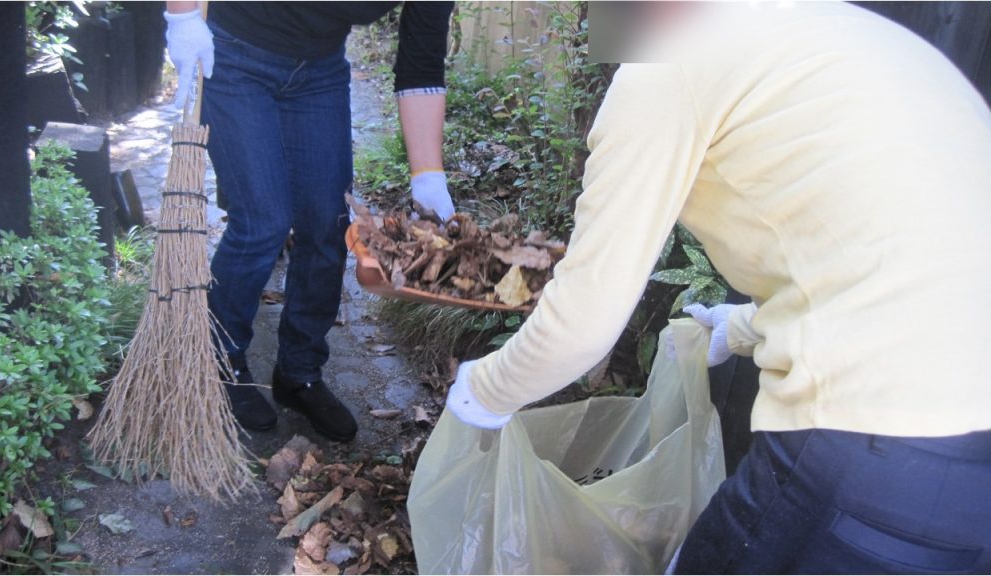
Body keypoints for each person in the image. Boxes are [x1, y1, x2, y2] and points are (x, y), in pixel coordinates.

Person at [445, 2, 991, 573]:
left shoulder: (669, 63)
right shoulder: (841, 33)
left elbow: (583, 322)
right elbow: (897, 255)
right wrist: (747, 327)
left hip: (875, 444)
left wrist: (481, 394)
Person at [164, 1, 455, 441]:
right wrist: (182, 16)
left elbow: (422, 61)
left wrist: (429, 178)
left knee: (327, 225)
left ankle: (299, 373)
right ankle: (221, 360)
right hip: (236, 50)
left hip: (319, 71)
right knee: (263, 222)